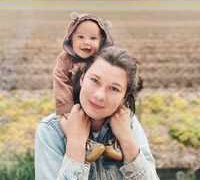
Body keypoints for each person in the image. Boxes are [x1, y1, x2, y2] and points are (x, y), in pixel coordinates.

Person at [35, 46, 160, 180]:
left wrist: (127, 139)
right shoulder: (51, 130)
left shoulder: (128, 123)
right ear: (82, 78)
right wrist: (75, 144)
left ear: (124, 97)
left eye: (114, 88)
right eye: (94, 80)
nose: (100, 95)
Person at [53, 12, 122, 162]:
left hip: (99, 101)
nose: (86, 42)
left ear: (102, 40)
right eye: (80, 37)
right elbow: (61, 81)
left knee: (118, 114)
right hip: (74, 104)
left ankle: (115, 143)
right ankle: (88, 145)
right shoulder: (65, 59)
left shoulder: (103, 59)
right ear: (71, 38)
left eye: (93, 38)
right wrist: (66, 108)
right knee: (63, 120)